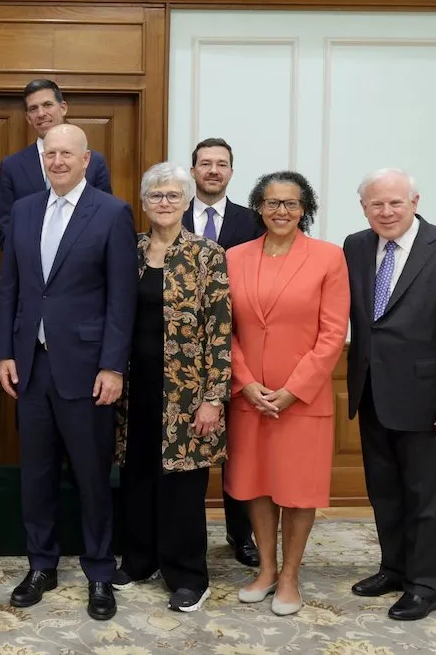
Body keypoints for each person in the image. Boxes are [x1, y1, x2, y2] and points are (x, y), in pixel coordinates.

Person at [0, 124, 136, 621]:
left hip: (87, 370)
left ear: (85, 159)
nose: (57, 161)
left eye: (66, 154)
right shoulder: (25, 210)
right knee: (36, 475)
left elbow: (122, 299)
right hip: (31, 368)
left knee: (93, 476)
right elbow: (10, 287)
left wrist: (112, 366)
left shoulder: (113, 212)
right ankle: (42, 564)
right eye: (49, 154)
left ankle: (100, 572)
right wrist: (7, 353)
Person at [344, 168, 436, 621]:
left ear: (415, 201)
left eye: (395, 203)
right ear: (363, 207)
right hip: (371, 392)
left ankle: (425, 584)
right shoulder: (356, 246)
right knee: (384, 492)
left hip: (429, 400)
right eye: (375, 204)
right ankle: (394, 568)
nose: (385, 212)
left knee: (424, 497)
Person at [225, 171, 350, 616]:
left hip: (302, 400)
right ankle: (266, 569)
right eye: (273, 202)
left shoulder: (328, 258)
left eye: (291, 203)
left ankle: (291, 577)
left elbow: (333, 335)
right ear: (259, 206)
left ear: (305, 209)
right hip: (250, 398)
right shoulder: (235, 257)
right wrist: (246, 382)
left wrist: (293, 390)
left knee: (297, 491)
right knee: (257, 485)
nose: (281, 210)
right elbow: (228, 330)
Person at [114, 162, 232, 613]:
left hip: (187, 394)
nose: (164, 203)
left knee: (183, 485)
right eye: (155, 196)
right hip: (134, 389)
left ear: (187, 202)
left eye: (172, 196)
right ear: (143, 204)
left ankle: (187, 575)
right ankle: (141, 560)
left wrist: (212, 399)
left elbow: (220, 333)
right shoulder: (132, 250)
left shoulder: (207, 254)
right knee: (138, 475)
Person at [181, 137, 260, 567]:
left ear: (231, 172)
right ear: (192, 171)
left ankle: (240, 534)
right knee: (187, 446)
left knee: (238, 450)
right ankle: (183, 532)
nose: (213, 170)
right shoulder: (171, 215)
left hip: (238, 347)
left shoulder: (252, 222)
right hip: (182, 353)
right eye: (205, 164)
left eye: (221, 164)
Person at [0, 79, 112, 244]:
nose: (41, 113)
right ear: (28, 118)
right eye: (33, 109)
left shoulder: (94, 161)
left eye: (47, 105)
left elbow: (104, 218)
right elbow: (6, 226)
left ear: (63, 108)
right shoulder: (12, 166)